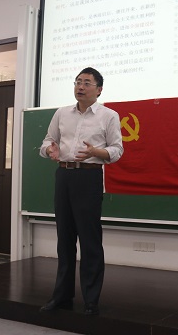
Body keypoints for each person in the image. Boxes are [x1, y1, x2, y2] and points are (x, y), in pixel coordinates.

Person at [38, 67, 124, 316]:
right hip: (64, 175)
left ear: (99, 89)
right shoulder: (62, 113)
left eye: (87, 82)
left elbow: (117, 150)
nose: (80, 86)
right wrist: (50, 150)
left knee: (89, 240)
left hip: (89, 176)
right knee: (64, 239)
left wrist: (96, 152)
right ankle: (62, 296)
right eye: (77, 82)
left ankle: (91, 300)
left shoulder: (109, 115)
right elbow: (47, 141)